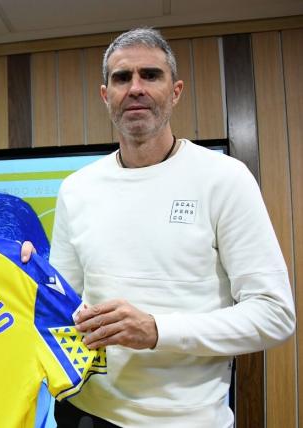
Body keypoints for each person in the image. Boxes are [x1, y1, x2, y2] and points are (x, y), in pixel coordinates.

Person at [49, 28, 296, 427]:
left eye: (151, 75)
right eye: (121, 78)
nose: (135, 88)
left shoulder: (224, 178)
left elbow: (274, 315)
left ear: (176, 91)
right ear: (105, 95)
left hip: (189, 419)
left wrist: (156, 330)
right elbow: (61, 304)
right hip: (87, 414)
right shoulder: (77, 188)